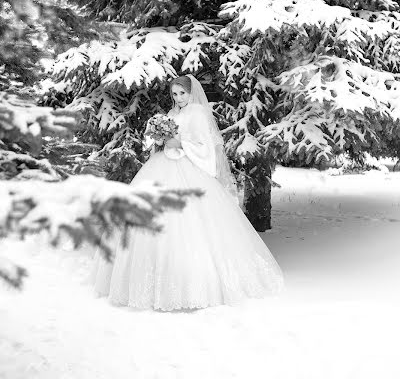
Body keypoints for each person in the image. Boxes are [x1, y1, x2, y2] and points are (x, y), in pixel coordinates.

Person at [91, 74, 284, 311]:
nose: (178, 98)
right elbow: (166, 138)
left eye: (182, 93)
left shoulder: (199, 113)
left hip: (190, 169)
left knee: (191, 224)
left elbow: (205, 146)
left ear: (191, 92)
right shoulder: (172, 114)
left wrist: (180, 144)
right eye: (174, 94)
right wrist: (160, 139)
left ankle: (198, 285)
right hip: (163, 166)